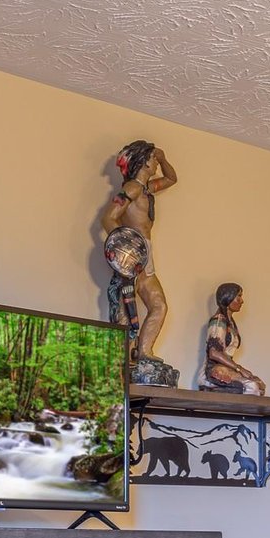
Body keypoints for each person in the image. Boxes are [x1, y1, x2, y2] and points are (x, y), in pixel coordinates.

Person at [100, 140, 179, 385]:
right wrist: (126, 246)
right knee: (126, 308)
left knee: (159, 305)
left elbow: (171, 178)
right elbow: (108, 218)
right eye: (154, 159)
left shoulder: (147, 189)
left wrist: (164, 158)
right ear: (144, 161)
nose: (156, 163)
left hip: (147, 253)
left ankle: (144, 352)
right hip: (132, 254)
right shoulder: (133, 188)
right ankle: (124, 356)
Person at [198, 282, 265, 395]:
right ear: (227, 298)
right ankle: (210, 387)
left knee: (259, 385)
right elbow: (214, 353)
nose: (241, 301)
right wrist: (239, 369)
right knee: (252, 387)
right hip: (212, 371)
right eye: (238, 296)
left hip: (225, 368)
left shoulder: (230, 323)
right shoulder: (218, 320)